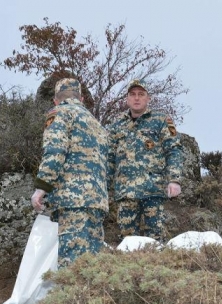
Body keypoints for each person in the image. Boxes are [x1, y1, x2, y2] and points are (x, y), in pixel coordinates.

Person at [30, 78, 109, 267]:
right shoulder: (95, 123)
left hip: (73, 201)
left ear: (56, 100)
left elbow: (55, 152)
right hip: (97, 202)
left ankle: (75, 298)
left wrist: (41, 188)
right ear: (81, 98)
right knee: (94, 267)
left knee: (72, 266)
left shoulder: (59, 113)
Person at [107, 78, 183, 241]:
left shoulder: (161, 121)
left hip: (152, 191)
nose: (136, 98)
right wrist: (103, 189)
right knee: (127, 243)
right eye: (133, 94)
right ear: (127, 98)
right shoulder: (116, 125)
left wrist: (174, 180)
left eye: (141, 94)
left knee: (155, 241)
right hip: (126, 193)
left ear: (148, 98)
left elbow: (174, 150)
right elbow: (109, 160)